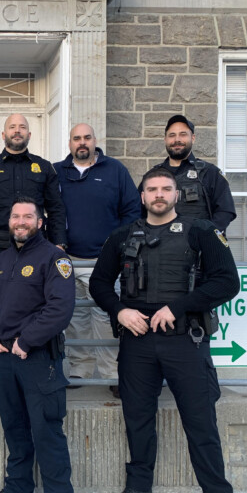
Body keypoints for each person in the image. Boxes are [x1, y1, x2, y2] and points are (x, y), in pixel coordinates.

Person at [89, 168, 246, 493]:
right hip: (137, 343)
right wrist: (120, 311)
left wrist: (178, 307)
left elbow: (227, 281)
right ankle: (139, 487)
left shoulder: (202, 232)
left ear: (177, 194)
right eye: (151, 189)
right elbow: (98, 282)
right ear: (142, 196)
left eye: (165, 189)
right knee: (138, 418)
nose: (158, 194)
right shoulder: (122, 235)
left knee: (201, 424)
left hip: (184, 341)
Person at [0, 197, 76, 493]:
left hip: (38, 360)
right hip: (5, 358)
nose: (20, 221)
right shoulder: (4, 259)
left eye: (27, 216)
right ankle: (19, 491)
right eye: (15, 215)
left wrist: (27, 341)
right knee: (15, 429)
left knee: (47, 434)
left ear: (39, 221)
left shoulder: (55, 258)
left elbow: (60, 308)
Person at [54, 124, 140, 395]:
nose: (82, 143)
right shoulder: (56, 172)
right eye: (77, 138)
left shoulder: (115, 170)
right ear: (69, 143)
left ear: (95, 141)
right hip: (67, 259)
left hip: (104, 261)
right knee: (76, 316)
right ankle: (80, 367)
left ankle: (111, 373)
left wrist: (117, 243)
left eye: (87, 138)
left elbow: (132, 210)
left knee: (105, 317)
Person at [0, 113, 67, 261]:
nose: (17, 131)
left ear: (29, 134)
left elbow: (56, 208)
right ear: (3, 134)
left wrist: (59, 242)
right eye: (12, 127)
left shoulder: (45, 167)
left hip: (36, 245)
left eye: (22, 127)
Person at [144, 114, 236, 232]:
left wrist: (206, 238)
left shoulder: (210, 173)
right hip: (159, 247)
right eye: (172, 135)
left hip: (198, 247)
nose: (177, 140)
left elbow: (225, 211)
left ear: (192, 138)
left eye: (183, 134)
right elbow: (138, 211)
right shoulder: (152, 176)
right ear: (165, 140)